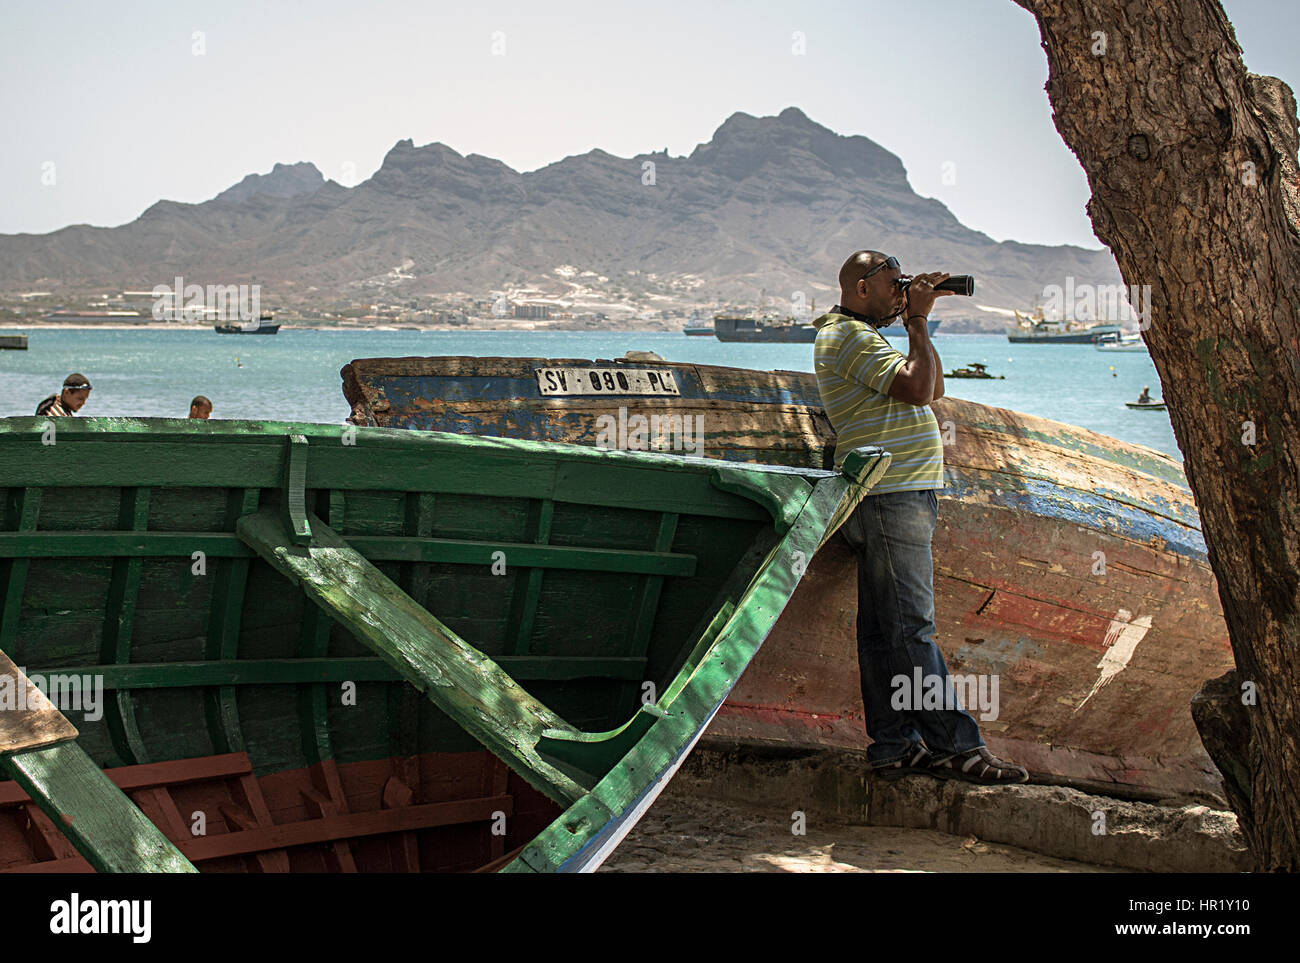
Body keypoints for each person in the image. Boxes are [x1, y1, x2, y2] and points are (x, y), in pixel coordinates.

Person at [812, 250, 1028, 784]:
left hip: (889, 492)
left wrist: (914, 324)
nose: (901, 291)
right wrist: (918, 319)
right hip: (893, 493)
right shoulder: (846, 336)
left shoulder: (860, 337)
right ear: (861, 287)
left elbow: (932, 387)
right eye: (893, 283)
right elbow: (915, 388)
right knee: (912, 627)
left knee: (884, 631)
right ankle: (955, 746)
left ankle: (894, 745)